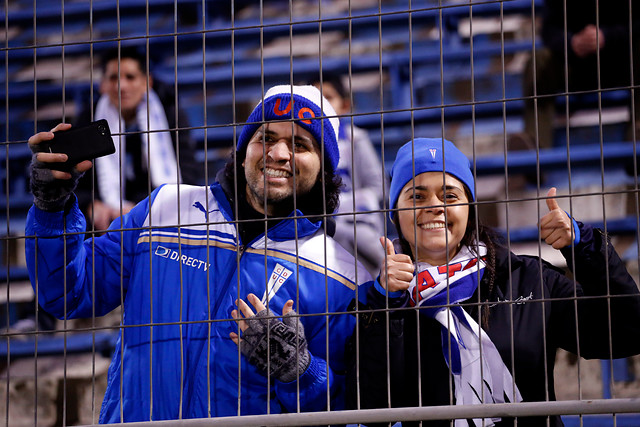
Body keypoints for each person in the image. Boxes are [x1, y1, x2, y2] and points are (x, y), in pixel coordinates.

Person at [25, 85, 372, 423]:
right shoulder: (164, 209)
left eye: (300, 144)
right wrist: (52, 208)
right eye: (265, 138)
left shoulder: (340, 274)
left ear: (324, 167)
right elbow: (68, 294)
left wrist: (299, 371)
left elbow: (349, 407)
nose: (278, 154)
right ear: (242, 150)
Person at [347, 138, 640, 426]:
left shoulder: (527, 279)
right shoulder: (375, 301)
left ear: (469, 208)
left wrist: (584, 247)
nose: (434, 206)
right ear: (395, 213)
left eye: (449, 195)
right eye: (417, 196)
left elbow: (626, 333)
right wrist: (387, 302)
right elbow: (369, 403)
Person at [75, 46, 201, 231]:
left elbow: (187, 173)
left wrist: (138, 208)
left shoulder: (170, 115)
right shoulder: (88, 120)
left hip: (156, 214)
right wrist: (90, 205)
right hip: (104, 222)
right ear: (102, 85)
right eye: (113, 78)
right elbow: (76, 179)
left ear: (146, 82)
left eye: (130, 77)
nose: (121, 86)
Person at [515, 0, 640, 149]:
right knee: (538, 61)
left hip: (623, 64)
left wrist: (606, 36)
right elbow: (548, 30)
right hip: (576, 66)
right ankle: (533, 148)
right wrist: (572, 42)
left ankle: (638, 135)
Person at [312, 74, 387, 275]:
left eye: (327, 97)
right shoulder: (302, 145)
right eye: (315, 98)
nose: (321, 105)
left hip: (357, 222)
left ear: (345, 105)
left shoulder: (356, 139)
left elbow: (378, 188)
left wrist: (338, 206)